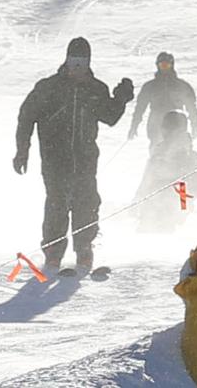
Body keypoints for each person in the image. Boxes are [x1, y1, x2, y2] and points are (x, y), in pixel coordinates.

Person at [15, 37, 136, 277]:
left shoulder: (96, 89)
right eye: (73, 61)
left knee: (86, 203)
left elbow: (109, 117)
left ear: (88, 62)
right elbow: (26, 116)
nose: (77, 67)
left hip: (85, 159)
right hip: (54, 159)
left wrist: (121, 99)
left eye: (82, 62)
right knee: (57, 204)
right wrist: (22, 150)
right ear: (66, 60)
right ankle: (53, 253)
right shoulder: (48, 87)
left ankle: (83, 249)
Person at [126, 50, 197, 213]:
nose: (164, 68)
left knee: (181, 169)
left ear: (172, 65)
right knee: (156, 163)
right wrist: (134, 125)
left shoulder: (181, 86)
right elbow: (140, 107)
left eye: (167, 65)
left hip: (179, 127)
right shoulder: (151, 87)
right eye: (162, 65)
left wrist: (194, 125)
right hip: (157, 127)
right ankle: (149, 202)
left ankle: (183, 204)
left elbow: (192, 107)